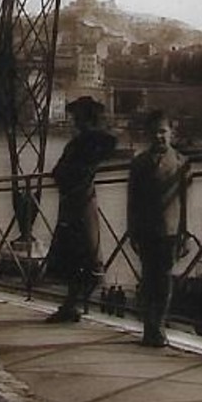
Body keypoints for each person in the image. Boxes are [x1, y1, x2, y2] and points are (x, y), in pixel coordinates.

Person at [45, 96, 118, 323]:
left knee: (84, 252)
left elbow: (60, 171)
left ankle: (74, 303)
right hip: (74, 202)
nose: (75, 122)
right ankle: (72, 303)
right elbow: (58, 172)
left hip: (80, 203)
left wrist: (81, 169)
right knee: (75, 254)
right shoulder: (79, 144)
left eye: (78, 117)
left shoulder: (88, 142)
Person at [128, 109, 190, 347]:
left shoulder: (182, 163)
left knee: (164, 280)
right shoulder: (139, 163)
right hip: (146, 230)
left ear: (171, 133)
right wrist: (132, 230)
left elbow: (185, 202)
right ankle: (149, 328)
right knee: (148, 278)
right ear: (148, 134)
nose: (159, 137)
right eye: (154, 133)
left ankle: (159, 326)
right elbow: (132, 201)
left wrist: (185, 234)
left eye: (163, 132)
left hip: (170, 231)